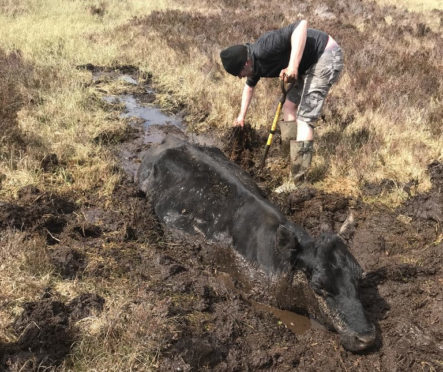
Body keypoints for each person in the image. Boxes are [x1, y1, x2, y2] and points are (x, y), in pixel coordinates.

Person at [220, 20, 343, 184]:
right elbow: (249, 88)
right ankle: (289, 157)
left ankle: (297, 180)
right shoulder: (254, 66)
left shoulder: (264, 48)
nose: (241, 77)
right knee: (288, 106)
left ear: (246, 62)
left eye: (239, 72)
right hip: (307, 64)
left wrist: (293, 66)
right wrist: (241, 116)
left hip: (325, 55)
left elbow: (301, 25)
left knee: (304, 120)